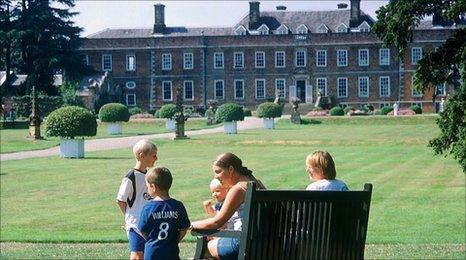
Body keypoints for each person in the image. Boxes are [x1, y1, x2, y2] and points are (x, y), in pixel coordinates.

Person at [191, 152, 266, 259]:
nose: (215, 176)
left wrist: (190, 224)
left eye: (218, 171)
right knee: (213, 240)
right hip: (264, 242)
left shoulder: (238, 189)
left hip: (243, 244)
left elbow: (217, 222)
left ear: (231, 169)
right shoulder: (257, 183)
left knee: (204, 248)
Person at [116, 139, 158, 260]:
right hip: (135, 224)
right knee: (137, 256)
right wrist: (128, 216)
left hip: (149, 223)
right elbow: (120, 200)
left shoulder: (150, 175)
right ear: (142, 155)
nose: (156, 158)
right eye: (153, 155)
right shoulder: (131, 177)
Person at [138, 167, 190, 260]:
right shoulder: (178, 206)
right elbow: (184, 229)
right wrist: (174, 241)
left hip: (152, 252)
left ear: (153, 187)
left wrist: (152, 240)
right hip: (171, 251)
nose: (147, 189)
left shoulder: (148, 208)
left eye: (148, 186)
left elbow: (142, 230)